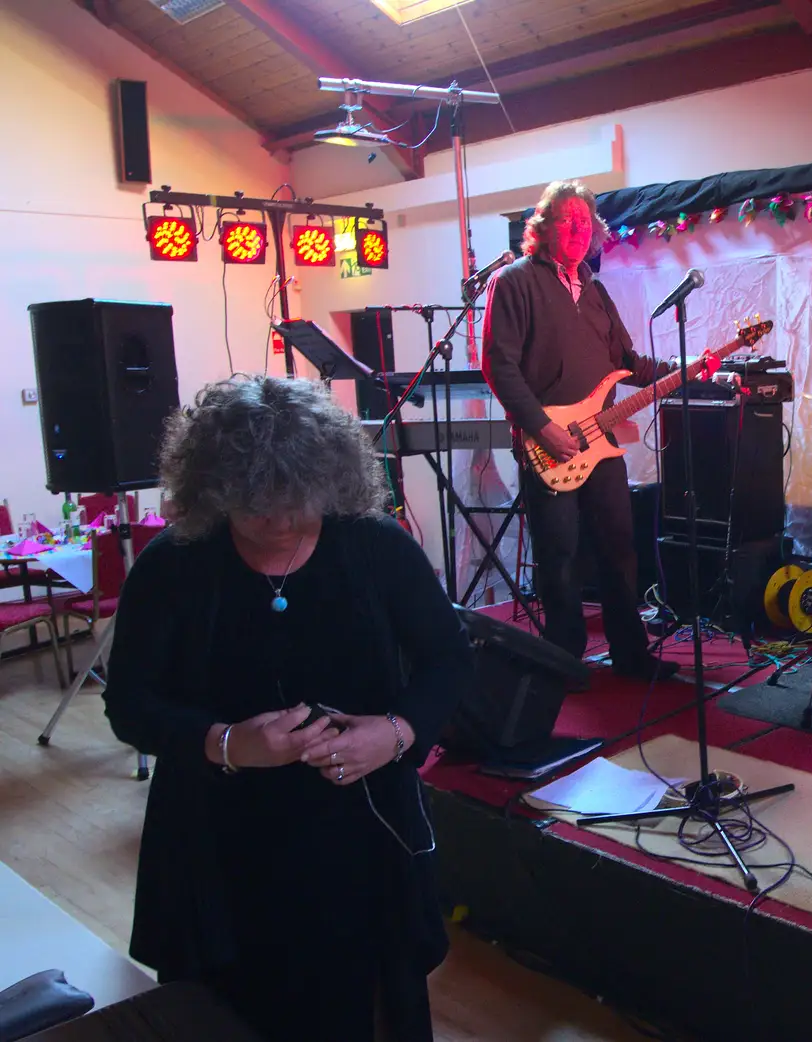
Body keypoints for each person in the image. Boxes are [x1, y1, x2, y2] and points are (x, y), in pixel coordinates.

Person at [103, 375, 471, 1042]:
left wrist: (394, 733)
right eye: (253, 510)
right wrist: (224, 743)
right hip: (220, 850)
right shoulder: (171, 567)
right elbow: (128, 705)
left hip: (360, 841)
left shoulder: (375, 547)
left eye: (296, 506)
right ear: (213, 498)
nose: (278, 525)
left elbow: (449, 658)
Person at [482, 179, 678, 681]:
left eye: (584, 223)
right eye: (566, 220)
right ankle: (564, 664)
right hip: (547, 442)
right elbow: (498, 365)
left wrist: (688, 366)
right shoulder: (514, 282)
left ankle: (631, 655)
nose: (576, 230)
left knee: (619, 547)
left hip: (601, 444)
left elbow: (626, 362)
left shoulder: (595, 290)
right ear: (543, 228)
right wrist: (542, 428)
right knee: (559, 556)